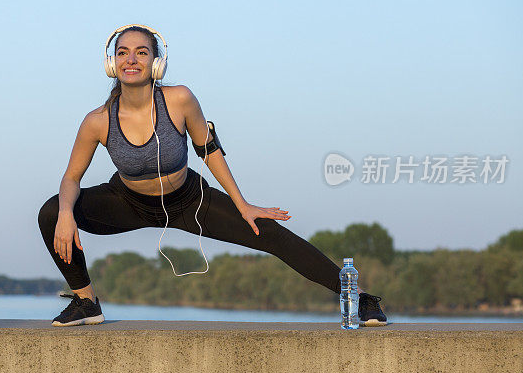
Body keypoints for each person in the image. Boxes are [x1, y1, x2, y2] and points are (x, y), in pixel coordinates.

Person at [38, 24, 387, 327]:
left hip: (190, 201)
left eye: (142, 52)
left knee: (268, 232)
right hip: (128, 203)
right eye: (123, 53)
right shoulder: (98, 120)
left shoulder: (180, 100)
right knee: (51, 212)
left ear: (156, 63)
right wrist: (67, 213)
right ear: (111, 64)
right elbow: (71, 178)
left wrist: (243, 204)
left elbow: (208, 150)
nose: (132, 59)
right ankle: (87, 302)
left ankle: (360, 300)